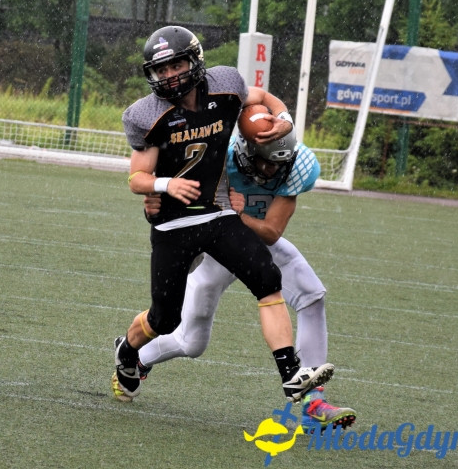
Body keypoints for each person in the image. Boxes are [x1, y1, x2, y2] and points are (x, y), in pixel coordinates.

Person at [112, 25, 336, 405]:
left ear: (195, 61)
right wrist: (164, 186)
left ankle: (291, 373)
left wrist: (283, 117)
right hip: (172, 224)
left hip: (217, 216)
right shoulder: (146, 115)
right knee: (165, 320)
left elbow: (262, 96)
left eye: (176, 65)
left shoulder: (226, 85)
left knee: (267, 278)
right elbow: (137, 178)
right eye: (161, 70)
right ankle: (127, 352)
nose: (169, 76)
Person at [136, 128, 357, 430]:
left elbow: (272, 231)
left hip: (256, 244)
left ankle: (313, 402)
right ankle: (138, 357)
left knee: (311, 295)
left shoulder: (297, 165)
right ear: (244, 154)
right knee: (191, 342)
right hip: (216, 247)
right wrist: (153, 200)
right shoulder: (216, 159)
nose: (272, 170)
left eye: (279, 163)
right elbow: (165, 188)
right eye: (265, 162)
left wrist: (238, 215)